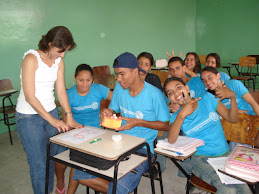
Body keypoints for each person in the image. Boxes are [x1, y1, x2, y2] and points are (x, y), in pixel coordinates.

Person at [67, 52, 170, 194]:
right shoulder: (120, 89)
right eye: (117, 74)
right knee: (80, 174)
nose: (118, 79)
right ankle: (115, 188)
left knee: (120, 186)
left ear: (135, 71)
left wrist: (138, 122)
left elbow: (165, 125)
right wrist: (108, 111)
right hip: (118, 141)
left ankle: (116, 188)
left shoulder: (154, 94)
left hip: (142, 148)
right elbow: (113, 108)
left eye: (122, 74)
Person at [15, 26, 83, 194]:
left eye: (65, 51)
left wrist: (69, 117)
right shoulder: (31, 59)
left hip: (50, 112)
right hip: (28, 117)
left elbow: (60, 91)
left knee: (52, 160)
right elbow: (30, 96)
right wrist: (52, 120)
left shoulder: (59, 61)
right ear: (50, 44)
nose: (63, 55)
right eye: (60, 50)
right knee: (38, 165)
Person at [164, 76, 251, 193]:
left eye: (178, 88)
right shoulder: (176, 116)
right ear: (170, 99)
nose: (176, 93)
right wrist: (181, 115)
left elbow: (232, 118)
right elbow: (171, 140)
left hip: (225, 154)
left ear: (187, 88)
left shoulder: (207, 98)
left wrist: (233, 98)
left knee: (244, 189)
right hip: (201, 159)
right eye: (170, 93)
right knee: (227, 189)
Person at [55, 64, 113, 193]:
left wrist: (109, 109)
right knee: (58, 156)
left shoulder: (99, 89)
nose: (85, 84)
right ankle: (60, 181)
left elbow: (117, 100)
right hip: (74, 132)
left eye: (88, 80)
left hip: (96, 133)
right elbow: (66, 122)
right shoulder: (68, 95)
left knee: (78, 160)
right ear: (75, 78)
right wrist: (75, 131)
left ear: (93, 79)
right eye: (81, 80)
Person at [200, 66, 259, 151]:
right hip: (231, 129)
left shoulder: (234, 84)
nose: (207, 82)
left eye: (210, 78)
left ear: (218, 76)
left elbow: (253, 104)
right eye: (204, 81)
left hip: (249, 123)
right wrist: (234, 111)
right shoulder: (210, 96)